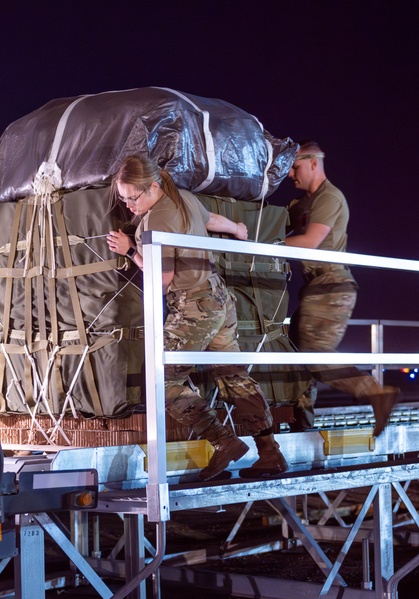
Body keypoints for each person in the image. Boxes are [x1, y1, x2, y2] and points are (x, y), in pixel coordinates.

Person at [106, 155, 288, 480]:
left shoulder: (154, 221)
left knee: (162, 380)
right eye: (123, 199)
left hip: (193, 306)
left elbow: (161, 278)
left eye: (133, 197)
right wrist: (237, 229)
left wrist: (130, 252)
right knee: (234, 375)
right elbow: (211, 219)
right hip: (219, 299)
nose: (129, 205)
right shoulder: (184, 197)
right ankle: (270, 453)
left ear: (152, 186)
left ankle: (224, 442)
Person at [284, 141, 399, 436]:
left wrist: (259, 246)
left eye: (295, 167)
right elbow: (271, 225)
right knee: (293, 349)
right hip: (314, 288)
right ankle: (301, 418)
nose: (289, 175)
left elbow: (310, 242)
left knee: (315, 353)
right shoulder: (298, 205)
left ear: (313, 163)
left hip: (331, 285)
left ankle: (376, 392)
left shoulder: (330, 198)